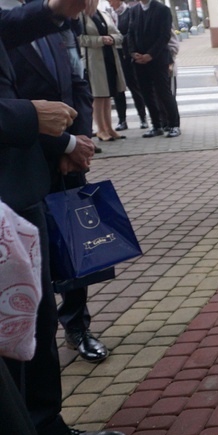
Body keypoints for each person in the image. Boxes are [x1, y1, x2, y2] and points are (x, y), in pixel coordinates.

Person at [0, 1, 125, 435]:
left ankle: (45, 431)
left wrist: (55, 11)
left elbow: (69, 77)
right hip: (14, 179)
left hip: (31, 181)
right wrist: (38, 123)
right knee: (13, 337)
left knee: (36, 321)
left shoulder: (44, 18)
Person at [5, 6, 109, 363]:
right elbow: (14, 106)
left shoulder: (53, 23)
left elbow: (77, 83)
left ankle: (78, 325)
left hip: (69, 154)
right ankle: (35, 340)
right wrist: (63, 144)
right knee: (35, 259)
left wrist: (79, 138)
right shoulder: (13, 25)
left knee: (75, 243)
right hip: (28, 156)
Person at [127, 0, 181, 138]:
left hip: (158, 59)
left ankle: (174, 124)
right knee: (146, 93)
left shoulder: (163, 10)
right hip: (139, 60)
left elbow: (164, 36)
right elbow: (130, 33)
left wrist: (150, 55)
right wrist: (133, 52)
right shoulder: (134, 11)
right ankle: (156, 125)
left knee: (164, 92)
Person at [78, 8, 127, 141]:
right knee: (98, 96)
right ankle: (101, 129)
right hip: (94, 60)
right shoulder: (81, 15)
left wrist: (112, 38)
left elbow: (118, 34)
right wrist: (100, 40)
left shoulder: (104, 14)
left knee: (107, 95)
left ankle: (109, 127)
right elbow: (80, 39)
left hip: (110, 57)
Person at [109, 0, 149, 131]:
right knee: (118, 90)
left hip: (127, 55)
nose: (109, 2)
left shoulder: (130, 12)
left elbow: (132, 32)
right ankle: (122, 120)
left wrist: (118, 39)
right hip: (114, 56)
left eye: (110, 0)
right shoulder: (108, 14)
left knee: (135, 87)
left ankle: (143, 118)